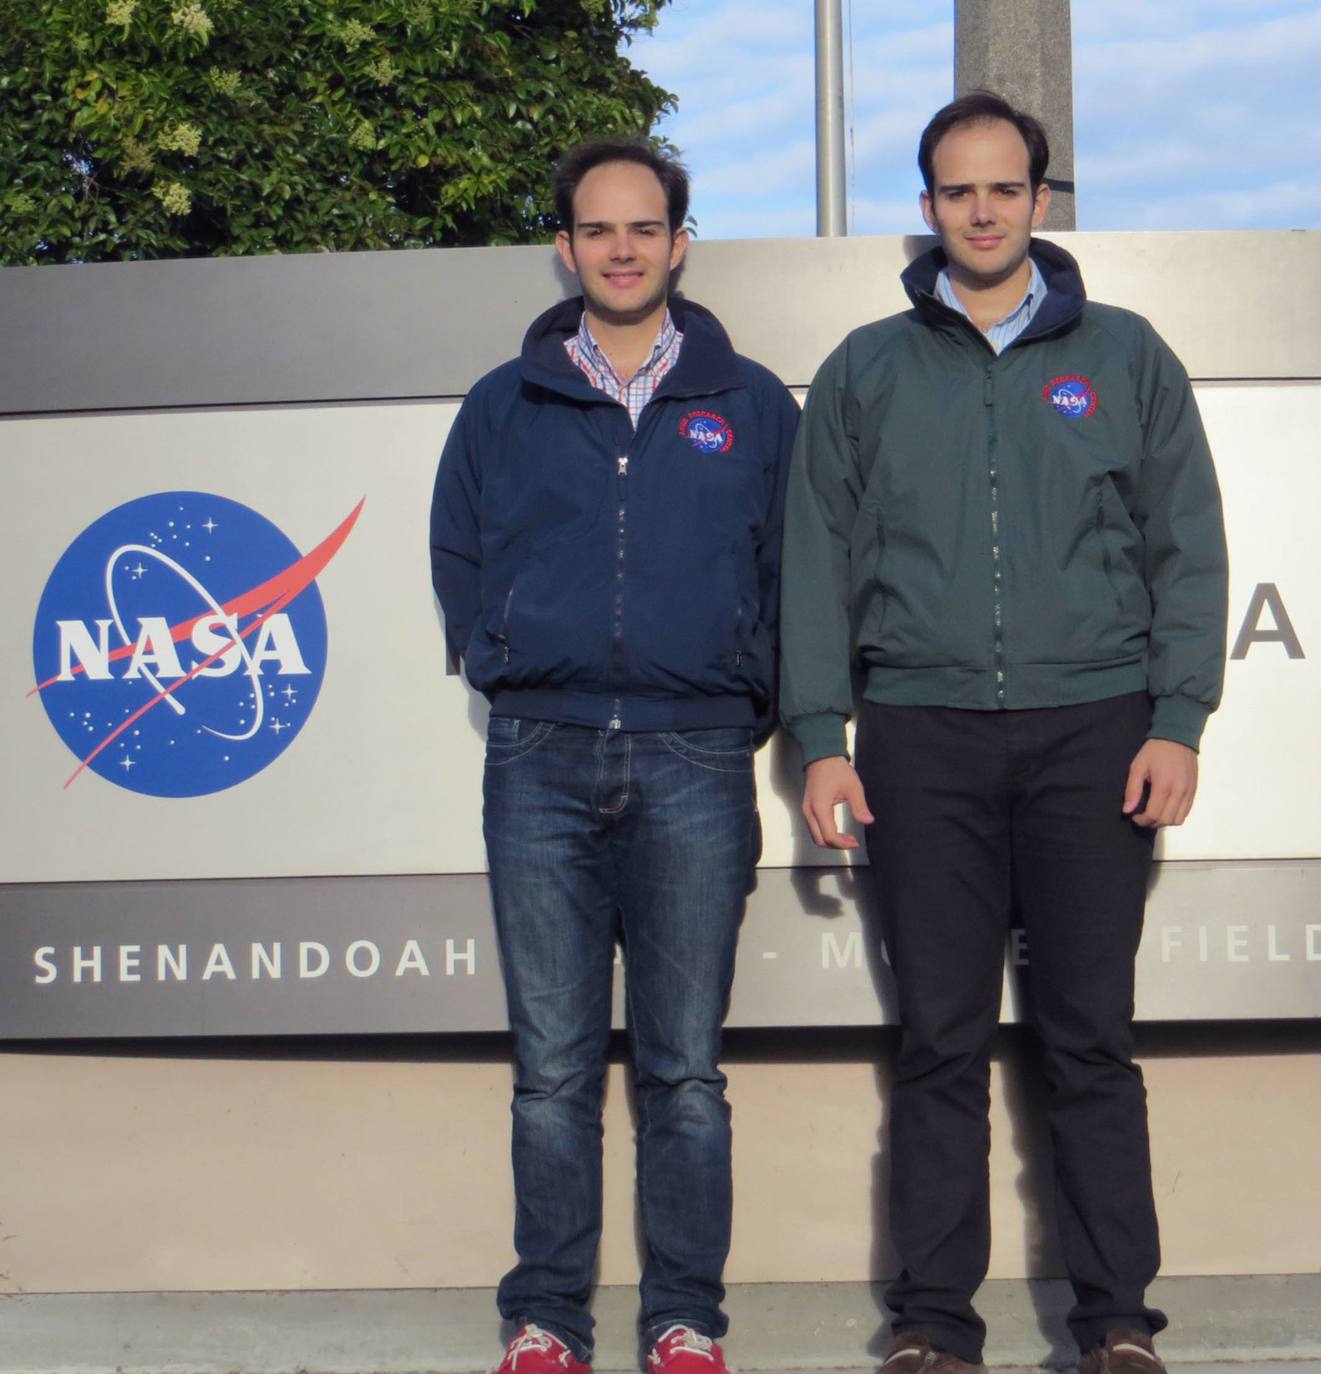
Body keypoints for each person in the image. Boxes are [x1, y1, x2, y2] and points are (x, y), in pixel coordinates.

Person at [779, 92, 1227, 1374]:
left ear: (1040, 200)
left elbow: (1185, 551)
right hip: (920, 738)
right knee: (939, 1041)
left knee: (1089, 1036)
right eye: (954, 191)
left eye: (1002, 189)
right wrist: (821, 734)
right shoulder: (867, 368)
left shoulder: (1127, 354)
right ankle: (932, 1323)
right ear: (926, 208)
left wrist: (1177, 718)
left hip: (1096, 733)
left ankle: (1117, 1321)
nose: (979, 211)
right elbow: (814, 564)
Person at [431, 139, 799, 1374]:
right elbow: (458, 554)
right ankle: (547, 1319)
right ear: (567, 247)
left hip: (696, 759)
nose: (623, 249)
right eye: (599, 231)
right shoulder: (505, 402)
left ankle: (684, 1319)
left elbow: (786, 574)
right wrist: (502, 653)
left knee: (685, 1072)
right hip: (538, 758)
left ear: (680, 241)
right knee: (550, 1073)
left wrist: (744, 694)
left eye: (645, 228)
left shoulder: (750, 404)